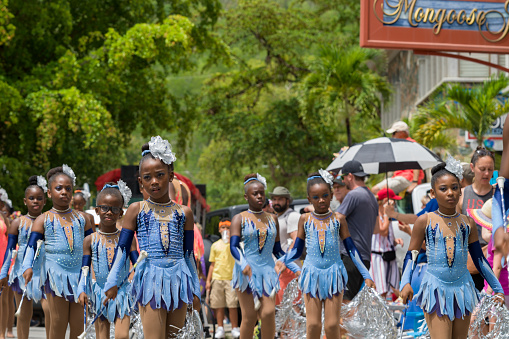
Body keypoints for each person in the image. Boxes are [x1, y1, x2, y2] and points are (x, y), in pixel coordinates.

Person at [103, 136, 200, 338]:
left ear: (171, 175)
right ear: (140, 182)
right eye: (147, 177)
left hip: (180, 280)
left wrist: (196, 291)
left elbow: (189, 255)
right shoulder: (136, 210)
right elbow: (122, 250)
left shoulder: (184, 213)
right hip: (150, 280)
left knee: (174, 336)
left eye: (160, 175)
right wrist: (112, 282)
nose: (154, 181)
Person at [400, 158, 504, 339]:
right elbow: (412, 255)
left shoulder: (468, 223)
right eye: (443, 189)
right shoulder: (425, 221)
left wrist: (498, 288)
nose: (450, 193)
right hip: (436, 290)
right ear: (433, 193)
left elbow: (480, 260)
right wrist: (405, 282)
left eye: (455, 188)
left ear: (460, 191)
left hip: (463, 290)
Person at [275, 170, 375, 338]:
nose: (321, 200)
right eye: (316, 197)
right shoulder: (305, 219)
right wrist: (284, 261)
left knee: (331, 325)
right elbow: (296, 251)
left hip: (334, 276)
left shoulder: (338, 219)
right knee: (313, 325)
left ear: (331, 196)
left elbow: (351, 249)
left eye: (325, 195)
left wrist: (366, 274)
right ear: (309, 199)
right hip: (312, 275)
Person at [21, 165, 95, 339]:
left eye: (68, 189)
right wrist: (27, 266)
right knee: (58, 324)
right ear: (49, 192)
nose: (64, 192)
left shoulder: (83, 219)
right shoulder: (42, 219)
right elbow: (31, 246)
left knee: (78, 327)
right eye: (59, 188)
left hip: (79, 277)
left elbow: (94, 247)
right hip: (55, 276)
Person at [229, 173, 300, 339]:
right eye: (255, 193)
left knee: (268, 313)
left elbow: (278, 251)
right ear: (246, 196)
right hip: (246, 272)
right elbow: (233, 247)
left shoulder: (272, 219)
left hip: (268, 272)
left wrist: (294, 267)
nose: (260, 196)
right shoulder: (239, 219)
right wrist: (243, 263)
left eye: (262, 193)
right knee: (249, 316)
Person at [78, 181, 137, 339]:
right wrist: (82, 289)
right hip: (100, 293)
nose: (109, 212)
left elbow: (137, 264)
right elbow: (84, 269)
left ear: (121, 213)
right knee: (101, 336)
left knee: (122, 336)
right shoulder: (90, 240)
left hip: (122, 292)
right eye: (104, 208)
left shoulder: (128, 239)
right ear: (97, 210)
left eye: (115, 209)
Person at [0, 176, 51, 339]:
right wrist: (4, 272)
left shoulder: (50, 222)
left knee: (50, 310)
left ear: (44, 201)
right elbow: (9, 250)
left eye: (39, 198)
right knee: (23, 311)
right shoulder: (18, 223)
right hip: (21, 271)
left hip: (45, 271)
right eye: (31, 198)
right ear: (24, 201)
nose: (35, 201)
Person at [336, 160, 379, 301]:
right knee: (349, 301)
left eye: (343, 178)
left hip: (351, 256)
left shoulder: (353, 195)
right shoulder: (371, 197)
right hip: (365, 258)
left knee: (343, 301)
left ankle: (342, 324)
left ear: (350, 176)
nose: (343, 181)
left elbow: (338, 219)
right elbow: (377, 228)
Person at [458, 147, 495, 291]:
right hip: (467, 260)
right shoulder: (462, 195)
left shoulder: (498, 195)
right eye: (482, 169)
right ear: (472, 168)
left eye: (490, 169)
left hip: (492, 259)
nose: (486, 173)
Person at [205, 218, 240, 339]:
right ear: (219, 230)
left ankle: (235, 327)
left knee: (232, 304)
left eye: (228, 227)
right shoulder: (215, 245)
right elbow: (212, 264)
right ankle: (220, 328)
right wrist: (208, 281)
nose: (226, 230)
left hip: (231, 278)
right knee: (218, 305)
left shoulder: (235, 244)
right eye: (223, 227)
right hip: (217, 277)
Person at [372, 121, 424, 195]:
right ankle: (388, 204)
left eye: (394, 133)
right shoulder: (400, 145)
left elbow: (416, 163)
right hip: (398, 177)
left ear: (402, 132)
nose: (392, 136)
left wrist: (414, 182)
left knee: (381, 191)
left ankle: (388, 205)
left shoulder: (411, 143)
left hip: (408, 178)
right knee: (374, 189)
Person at [269, 186, 301, 305]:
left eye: (280, 199)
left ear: (288, 201)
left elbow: (296, 240)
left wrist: (284, 262)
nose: (276, 202)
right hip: (277, 270)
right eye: (274, 199)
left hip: (288, 269)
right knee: (279, 310)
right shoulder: (277, 217)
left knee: (291, 309)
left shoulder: (292, 216)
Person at [370, 188, 403, 298]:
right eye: (393, 201)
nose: (394, 204)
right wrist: (387, 214)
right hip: (379, 256)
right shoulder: (376, 213)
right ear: (386, 201)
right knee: (381, 290)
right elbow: (383, 231)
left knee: (394, 288)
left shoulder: (386, 215)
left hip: (390, 254)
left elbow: (387, 236)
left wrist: (395, 241)